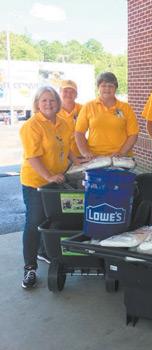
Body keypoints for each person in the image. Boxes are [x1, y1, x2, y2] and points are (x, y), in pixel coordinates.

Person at [20, 86, 81, 289]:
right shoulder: (32, 125)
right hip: (36, 182)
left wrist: (79, 161)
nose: (48, 104)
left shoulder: (63, 123)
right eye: (44, 101)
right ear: (37, 104)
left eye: (52, 100)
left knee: (51, 218)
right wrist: (48, 176)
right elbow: (33, 157)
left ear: (58, 103)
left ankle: (44, 250)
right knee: (35, 221)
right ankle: (30, 267)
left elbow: (70, 147)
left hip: (57, 180)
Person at [75, 72, 139, 159]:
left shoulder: (125, 108)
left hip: (121, 158)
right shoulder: (88, 106)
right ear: (98, 87)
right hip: (95, 158)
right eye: (103, 85)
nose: (107, 89)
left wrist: (121, 152)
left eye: (111, 86)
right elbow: (79, 133)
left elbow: (133, 134)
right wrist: (85, 152)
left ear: (115, 88)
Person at [57, 79, 82, 156]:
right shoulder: (53, 110)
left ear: (76, 94)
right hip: (59, 154)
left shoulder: (83, 109)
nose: (69, 94)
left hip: (79, 153)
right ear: (60, 92)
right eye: (65, 91)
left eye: (72, 91)